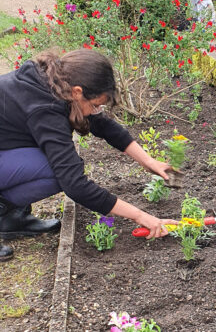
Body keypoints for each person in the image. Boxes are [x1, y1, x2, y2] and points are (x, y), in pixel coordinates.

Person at [0, 49, 178, 261]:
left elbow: (101, 124)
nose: (96, 111)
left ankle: (10, 219)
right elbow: (75, 185)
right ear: (77, 92)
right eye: (95, 104)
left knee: (54, 165)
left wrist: (148, 161)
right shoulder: (45, 109)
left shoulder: (54, 82)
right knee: (56, 171)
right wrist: (142, 216)